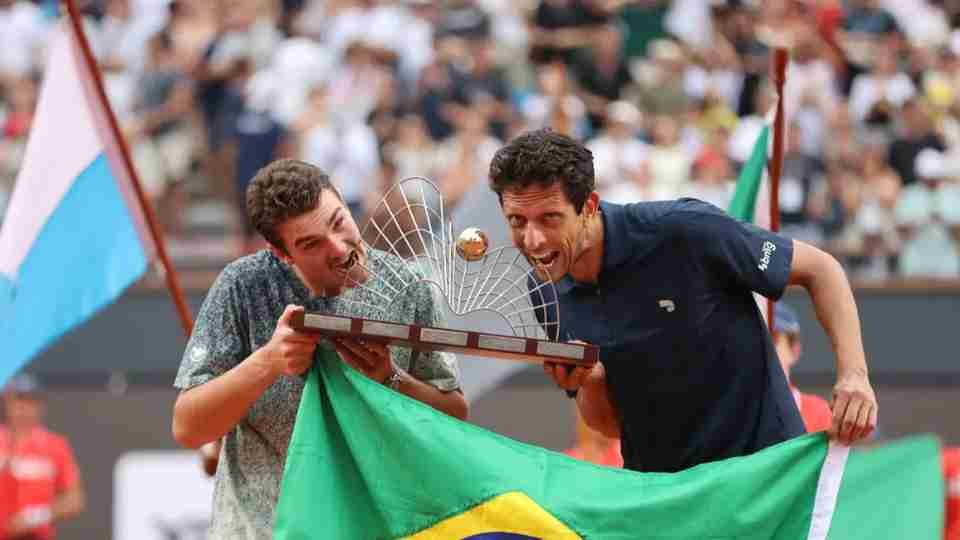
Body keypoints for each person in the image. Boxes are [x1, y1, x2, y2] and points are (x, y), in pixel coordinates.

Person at [488, 128, 878, 473]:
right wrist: (592, 381)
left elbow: (822, 269)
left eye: (550, 219)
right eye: (517, 222)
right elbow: (610, 426)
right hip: (666, 496)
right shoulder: (541, 289)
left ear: (588, 207)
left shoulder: (683, 230)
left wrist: (854, 375)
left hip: (762, 474)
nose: (533, 241)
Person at [171, 159, 468, 538]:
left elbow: (454, 415)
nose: (339, 248)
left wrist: (391, 379)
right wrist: (268, 362)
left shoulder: (411, 286)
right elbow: (188, 427)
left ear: (344, 200)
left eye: (339, 221)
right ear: (281, 253)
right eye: (311, 244)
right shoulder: (241, 285)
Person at [1, 374, 85, 540]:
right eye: (19, 400)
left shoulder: (54, 446)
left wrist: (35, 517)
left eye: (31, 401)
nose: (24, 408)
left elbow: (75, 500)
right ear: (7, 403)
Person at [771, 302, 833, 433]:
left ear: (794, 351)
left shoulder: (820, 414)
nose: (762, 348)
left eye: (771, 339)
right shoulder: (727, 412)